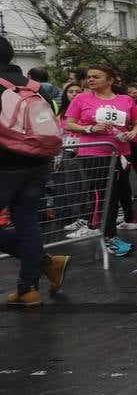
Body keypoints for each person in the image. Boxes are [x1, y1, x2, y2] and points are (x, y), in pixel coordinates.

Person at [0, 38, 68, 305]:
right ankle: (28, 287)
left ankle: (42, 266)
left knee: (26, 225)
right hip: (37, 162)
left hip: (4, 166)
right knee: (27, 223)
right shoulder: (37, 87)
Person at [63, 65, 137, 257]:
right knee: (105, 195)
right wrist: (90, 129)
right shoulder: (82, 98)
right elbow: (68, 123)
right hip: (92, 154)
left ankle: (110, 234)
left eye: (96, 77)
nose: (91, 80)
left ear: (111, 80)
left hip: (121, 152)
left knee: (119, 192)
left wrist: (133, 132)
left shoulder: (125, 99)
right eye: (89, 77)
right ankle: (108, 236)